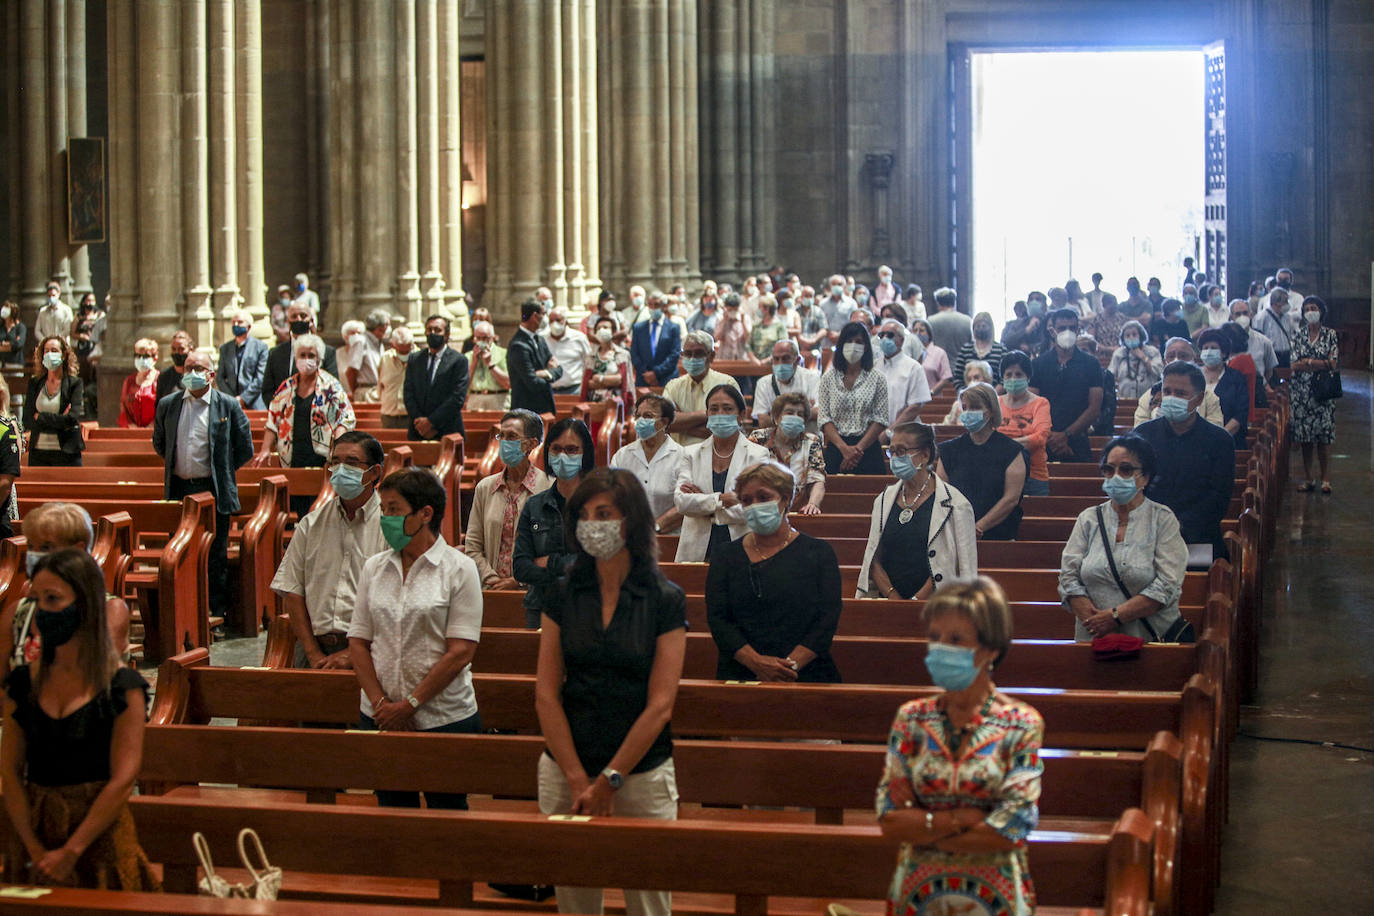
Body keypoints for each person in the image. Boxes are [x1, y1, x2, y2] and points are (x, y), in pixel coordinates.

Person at [534, 469, 686, 916]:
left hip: (641, 774)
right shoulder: (562, 593)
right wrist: (581, 780)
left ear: (630, 522)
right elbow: (546, 694)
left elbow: (660, 705)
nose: (591, 524)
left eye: (604, 513)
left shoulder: (664, 598)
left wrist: (610, 779)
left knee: (649, 901)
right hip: (566, 767)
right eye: (584, 515)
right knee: (575, 898)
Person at [876, 578, 1042, 916]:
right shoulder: (911, 719)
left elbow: (1012, 827)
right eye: (935, 638)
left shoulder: (1020, 724)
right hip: (917, 894)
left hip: (995, 895)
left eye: (955, 640)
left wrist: (925, 828)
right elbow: (890, 819)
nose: (940, 649)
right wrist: (960, 819)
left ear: (991, 649)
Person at [0, 549, 158, 891]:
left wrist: (72, 850)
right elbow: (10, 771)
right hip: (34, 828)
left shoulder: (121, 688)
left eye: (53, 599)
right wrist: (33, 846)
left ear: (84, 605)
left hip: (99, 835)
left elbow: (123, 778)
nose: (42, 611)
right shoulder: (23, 683)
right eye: (37, 599)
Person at [348, 469, 483, 808]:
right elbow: (359, 642)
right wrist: (381, 705)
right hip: (380, 717)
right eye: (383, 509)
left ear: (425, 513)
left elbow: (461, 651)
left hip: (443, 718)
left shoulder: (459, 568)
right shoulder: (374, 568)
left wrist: (409, 705)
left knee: (446, 814)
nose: (385, 518)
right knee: (393, 815)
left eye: (394, 509)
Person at [705, 460, 841, 681]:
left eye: (764, 497)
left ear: (786, 499)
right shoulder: (725, 556)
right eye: (747, 501)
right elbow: (719, 620)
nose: (755, 505)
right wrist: (756, 663)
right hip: (742, 674)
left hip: (806, 674)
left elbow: (827, 619)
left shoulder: (819, 552)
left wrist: (788, 667)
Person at [270, 431, 388, 669]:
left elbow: (395, 602)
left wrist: (354, 653)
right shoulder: (311, 524)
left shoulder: (391, 525)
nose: (341, 469)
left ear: (374, 472)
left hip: (374, 649)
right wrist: (313, 652)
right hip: (314, 647)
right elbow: (292, 591)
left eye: (352, 463)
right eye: (335, 462)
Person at [152, 348, 254, 618]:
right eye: (188, 368)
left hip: (213, 489)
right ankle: (184, 612)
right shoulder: (168, 404)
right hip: (180, 489)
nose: (192, 374)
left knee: (215, 555)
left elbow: (245, 447)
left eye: (198, 369)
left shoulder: (227, 405)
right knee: (180, 552)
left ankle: (215, 613)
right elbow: (160, 443)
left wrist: (223, 469)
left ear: (210, 373)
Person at [1059, 435, 1188, 642]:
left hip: (1148, 640)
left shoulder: (1162, 519)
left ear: (1145, 477)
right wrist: (1090, 617)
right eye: (1109, 470)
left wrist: (1115, 617)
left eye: (1126, 470)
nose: (1115, 476)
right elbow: (1068, 575)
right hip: (1093, 638)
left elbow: (1167, 583)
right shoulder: (1088, 518)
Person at [1, 504, 130, 675]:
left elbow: (94, 678)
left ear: (77, 550)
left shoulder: (109, 611)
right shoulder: (17, 612)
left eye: (46, 548)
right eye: (31, 548)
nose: (35, 556)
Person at [856, 422, 977, 599]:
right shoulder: (883, 500)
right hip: (889, 604)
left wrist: (916, 601)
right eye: (892, 451)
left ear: (925, 455)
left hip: (938, 605)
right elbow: (873, 559)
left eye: (902, 451)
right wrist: (893, 597)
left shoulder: (956, 504)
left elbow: (959, 563)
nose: (895, 458)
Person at [1133, 362, 1236, 560]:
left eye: (1180, 393)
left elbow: (1218, 498)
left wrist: (1179, 526)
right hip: (1147, 538)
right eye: (1167, 391)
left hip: (1199, 540)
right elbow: (1134, 489)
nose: (1171, 398)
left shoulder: (1219, 441)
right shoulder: (1142, 436)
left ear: (1198, 399)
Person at [256, 333, 355, 518]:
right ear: (295, 358)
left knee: (318, 509)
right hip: (292, 456)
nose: (306, 360)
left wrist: (339, 445)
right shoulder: (287, 387)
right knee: (298, 509)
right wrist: (264, 449)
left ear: (320, 359)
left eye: (311, 356)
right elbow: (273, 420)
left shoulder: (330, 386)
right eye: (302, 355)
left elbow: (345, 418)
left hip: (321, 456)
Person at [673, 384, 769, 562]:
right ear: (707, 414)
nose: (720, 414)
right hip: (697, 549)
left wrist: (706, 506)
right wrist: (722, 499)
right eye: (714, 409)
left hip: (742, 547)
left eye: (728, 409)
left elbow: (752, 508)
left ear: (741, 415)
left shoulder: (758, 454)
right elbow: (682, 503)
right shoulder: (691, 453)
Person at [513, 419, 595, 629]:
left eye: (571, 449)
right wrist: (568, 567)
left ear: (584, 453)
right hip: (541, 607)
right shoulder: (535, 505)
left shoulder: (598, 504)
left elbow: (594, 565)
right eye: (556, 449)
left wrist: (548, 563)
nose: (563, 456)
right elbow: (521, 568)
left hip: (587, 606)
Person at [464, 410, 551, 591]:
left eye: (511, 436)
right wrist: (491, 578)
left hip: (534, 590)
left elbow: (552, 552)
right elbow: (472, 545)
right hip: (490, 589)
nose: (504, 442)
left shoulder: (549, 488)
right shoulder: (485, 488)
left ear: (531, 444)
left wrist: (518, 580)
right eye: (501, 436)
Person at [938, 383, 1029, 541]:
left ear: (990, 411)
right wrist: (961, 528)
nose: (968, 413)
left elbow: (1011, 499)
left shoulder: (1012, 451)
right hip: (955, 533)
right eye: (965, 408)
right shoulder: (949, 450)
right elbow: (941, 494)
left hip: (999, 534)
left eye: (975, 407)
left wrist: (979, 527)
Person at [1028, 309, 1102, 463]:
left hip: (1078, 440)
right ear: (1052, 331)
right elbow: (1031, 406)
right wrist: (1051, 437)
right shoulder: (1038, 364)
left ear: (1078, 330)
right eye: (1062, 328)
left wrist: (1066, 435)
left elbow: (1094, 408)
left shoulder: (1091, 364)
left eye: (1072, 328)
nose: (1067, 332)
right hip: (1043, 441)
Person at [818, 323, 889, 475]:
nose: (853, 346)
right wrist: (844, 449)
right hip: (836, 447)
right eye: (849, 341)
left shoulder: (878, 379)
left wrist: (857, 451)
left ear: (866, 347)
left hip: (867, 448)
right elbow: (824, 419)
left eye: (858, 342)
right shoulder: (828, 378)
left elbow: (881, 419)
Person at [611, 395, 684, 534]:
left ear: (664, 422)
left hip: (668, 537)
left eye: (648, 416)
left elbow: (685, 504)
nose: (640, 421)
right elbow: (612, 497)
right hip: (629, 537)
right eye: (638, 416)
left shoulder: (682, 457)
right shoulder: (622, 456)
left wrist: (654, 528)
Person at [1289, 296, 1339, 493]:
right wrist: (1317, 362)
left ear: (1321, 311)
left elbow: (1332, 362)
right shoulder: (1298, 335)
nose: (1310, 311)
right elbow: (1294, 364)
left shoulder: (1330, 335)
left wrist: (1307, 362)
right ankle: (1308, 477)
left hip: (1324, 391)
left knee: (1323, 438)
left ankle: (1325, 477)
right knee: (1305, 438)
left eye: (1314, 308)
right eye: (1307, 308)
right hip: (1301, 393)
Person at [747, 393, 826, 515]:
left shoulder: (811, 442)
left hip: (796, 511)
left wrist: (813, 504)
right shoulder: (759, 438)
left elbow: (817, 479)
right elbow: (746, 475)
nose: (795, 417)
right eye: (789, 413)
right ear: (777, 417)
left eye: (800, 414)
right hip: (761, 510)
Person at [662, 331, 739, 446]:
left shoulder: (727, 384)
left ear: (711, 356)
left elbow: (725, 429)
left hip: (716, 456)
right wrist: (705, 415)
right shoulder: (673, 386)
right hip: (679, 457)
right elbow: (664, 423)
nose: (692, 359)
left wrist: (680, 424)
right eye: (688, 353)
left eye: (698, 353)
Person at [1132, 338, 1225, 428]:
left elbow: (1215, 432)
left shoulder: (1209, 397)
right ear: (1164, 362)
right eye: (1171, 356)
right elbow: (1139, 433)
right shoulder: (1149, 396)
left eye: (1183, 356)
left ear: (1194, 360)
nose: (1177, 360)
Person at [404, 314, 469, 441]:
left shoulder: (458, 360)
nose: (433, 333)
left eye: (437, 330)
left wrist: (431, 422)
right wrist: (421, 423)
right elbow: (408, 393)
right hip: (418, 431)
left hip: (448, 430)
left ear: (446, 335)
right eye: (429, 330)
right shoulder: (415, 359)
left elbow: (457, 398)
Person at [996, 351, 1052, 498]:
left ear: (1028, 377)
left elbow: (1039, 438)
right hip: (998, 475)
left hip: (1033, 477)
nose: (1013, 378)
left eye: (1019, 374)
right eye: (1008, 374)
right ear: (1002, 378)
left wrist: (1005, 445)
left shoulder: (1040, 403)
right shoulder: (996, 403)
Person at [23, 337, 84, 467]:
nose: (50, 354)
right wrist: (60, 420)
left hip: (66, 453)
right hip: (38, 452)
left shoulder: (74, 384)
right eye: (46, 351)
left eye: (54, 350)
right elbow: (27, 419)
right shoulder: (35, 383)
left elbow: (72, 418)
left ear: (64, 355)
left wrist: (40, 417)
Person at [261, 303, 339, 403]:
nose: (299, 319)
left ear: (311, 321)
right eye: (294, 316)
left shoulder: (327, 352)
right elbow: (267, 391)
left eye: (303, 316)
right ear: (288, 322)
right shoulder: (275, 354)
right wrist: (280, 411)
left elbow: (333, 387)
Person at [1195, 328, 1250, 446]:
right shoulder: (1192, 376)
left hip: (1227, 440)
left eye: (1213, 348)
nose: (1209, 351)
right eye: (1205, 348)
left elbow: (1240, 415)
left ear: (1224, 352)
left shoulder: (1236, 378)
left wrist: (1219, 438)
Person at [506, 301, 562, 414]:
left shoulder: (539, 339)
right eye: (544, 314)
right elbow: (532, 382)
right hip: (527, 410)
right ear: (535, 316)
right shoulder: (519, 345)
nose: (545, 318)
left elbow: (559, 369)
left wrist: (546, 373)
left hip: (545, 407)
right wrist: (548, 372)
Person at [874, 319, 931, 429]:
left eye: (890, 335)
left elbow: (915, 406)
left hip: (904, 432)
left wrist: (889, 432)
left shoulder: (913, 368)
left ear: (901, 339)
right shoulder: (874, 366)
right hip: (874, 433)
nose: (885, 339)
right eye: (882, 335)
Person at [751, 338, 820, 429]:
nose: (780, 363)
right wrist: (804, 411)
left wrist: (776, 415)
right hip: (775, 441)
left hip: (808, 438)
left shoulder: (812, 378)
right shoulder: (763, 383)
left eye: (786, 358)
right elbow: (763, 421)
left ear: (797, 360)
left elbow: (819, 412)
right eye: (776, 359)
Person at [216, 309, 270, 410]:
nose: (236, 325)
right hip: (230, 403)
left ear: (249, 327)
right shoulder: (225, 349)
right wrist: (232, 399)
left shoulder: (260, 347)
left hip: (254, 404)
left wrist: (243, 398)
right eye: (233, 322)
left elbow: (260, 378)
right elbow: (220, 377)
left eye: (240, 322)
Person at [629, 292, 682, 388]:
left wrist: (656, 373)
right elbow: (634, 353)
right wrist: (646, 373)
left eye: (656, 305)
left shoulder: (673, 328)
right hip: (644, 379)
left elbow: (675, 354)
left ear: (663, 306)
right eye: (650, 304)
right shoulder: (638, 328)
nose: (653, 308)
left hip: (667, 378)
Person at [582, 315, 633, 407]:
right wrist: (610, 381)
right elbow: (587, 383)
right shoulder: (590, 356)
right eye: (598, 328)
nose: (602, 330)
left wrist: (599, 379)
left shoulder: (622, 354)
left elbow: (623, 381)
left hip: (616, 403)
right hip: (593, 403)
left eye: (605, 327)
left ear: (613, 331)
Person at [543, 307, 592, 399]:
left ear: (566, 321)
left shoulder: (579, 338)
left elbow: (589, 361)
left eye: (558, 320)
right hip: (549, 390)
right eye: (551, 321)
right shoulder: (542, 339)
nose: (555, 324)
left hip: (574, 390)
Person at [1107, 319, 1163, 401]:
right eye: (1127, 335)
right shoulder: (1119, 353)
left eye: (1134, 334)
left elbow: (1159, 372)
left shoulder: (1152, 351)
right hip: (1124, 398)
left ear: (1141, 336)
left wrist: (1144, 358)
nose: (1131, 338)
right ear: (1123, 339)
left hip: (1148, 399)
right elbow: (1110, 375)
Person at [463, 320, 511, 411]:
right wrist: (474, 362)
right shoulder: (467, 357)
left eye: (485, 338)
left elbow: (508, 383)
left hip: (498, 399)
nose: (481, 342)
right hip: (475, 400)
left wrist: (490, 364)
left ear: (492, 337)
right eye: (478, 338)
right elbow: (463, 386)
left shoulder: (504, 354)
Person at [344, 310, 391, 403]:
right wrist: (355, 392)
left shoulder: (379, 343)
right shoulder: (361, 341)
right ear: (380, 328)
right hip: (366, 392)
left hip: (379, 390)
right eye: (387, 324)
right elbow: (351, 371)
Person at [952, 312, 1007, 385]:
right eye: (978, 326)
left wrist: (991, 393)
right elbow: (957, 377)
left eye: (984, 326)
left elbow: (1004, 378)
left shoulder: (1001, 350)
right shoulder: (965, 350)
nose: (980, 328)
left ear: (990, 328)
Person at [117, 338, 161, 428]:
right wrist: (133, 427)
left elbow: (163, 408)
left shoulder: (160, 379)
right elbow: (123, 408)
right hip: (132, 432)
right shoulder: (129, 381)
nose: (141, 359)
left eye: (145, 356)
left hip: (155, 431)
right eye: (137, 356)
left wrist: (150, 427)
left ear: (155, 357)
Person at [377, 325, 414, 429]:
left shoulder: (421, 359)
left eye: (407, 351)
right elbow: (380, 385)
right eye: (401, 351)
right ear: (393, 345)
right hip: (389, 416)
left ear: (412, 345)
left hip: (412, 417)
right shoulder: (385, 359)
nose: (404, 354)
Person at [1251, 288, 1297, 370]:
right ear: (1276, 303)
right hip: (1271, 355)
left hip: (1286, 355)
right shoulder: (1261, 317)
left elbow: (1292, 334)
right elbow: (1257, 339)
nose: (1287, 304)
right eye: (1285, 301)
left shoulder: (1288, 317)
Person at [939, 359, 992, 424]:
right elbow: (945, 427)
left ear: (987, 379)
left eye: (976, 377)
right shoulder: (958, 405)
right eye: (969, 379)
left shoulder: (995, 402)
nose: (972, 382)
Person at [926, 287, 972, 357]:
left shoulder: (931, 321)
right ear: (954, 302)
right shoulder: (968, 321)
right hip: (962, 363)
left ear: (938, 303)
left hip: (938, 364)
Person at [911, 318, 951, 395]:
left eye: (921, 330)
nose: (917, 333)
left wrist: (931, 392)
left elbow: (946, 378)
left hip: (933, 398)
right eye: (915, 331)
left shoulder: (939, 353)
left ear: (929, 334)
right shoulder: (908, 353)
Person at [712, 292, 750, 360]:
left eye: (735, 310)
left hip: (741, 357)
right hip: (724, 357)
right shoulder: (720, 319)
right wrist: (724, 321)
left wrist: (743, 322)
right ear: (725, 308)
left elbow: (748, 338)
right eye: (730, 310)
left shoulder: (745, 318)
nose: (732, 312)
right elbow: (717, 337)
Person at [0, 301, 28, 366]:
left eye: (7, 307)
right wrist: (11, 343)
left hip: (15, 363)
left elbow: (19, 344)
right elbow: (14, 343)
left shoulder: (20, 327)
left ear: (14, 311)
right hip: (1, 363)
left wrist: (3, 344)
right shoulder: (1, 327)